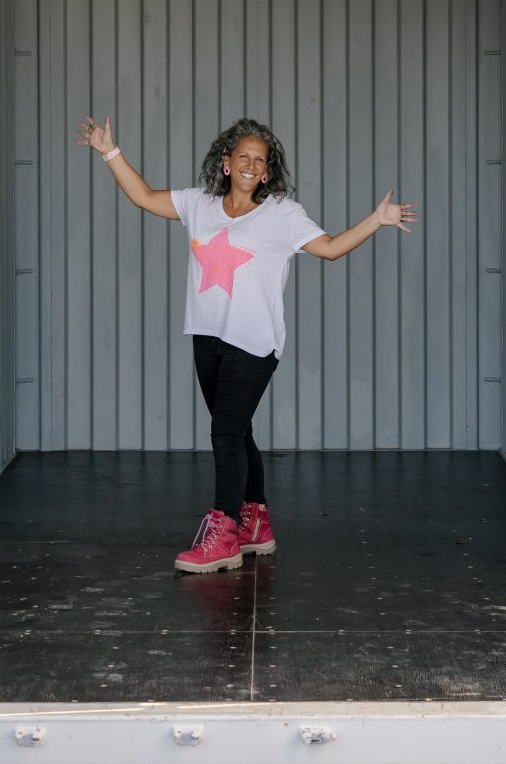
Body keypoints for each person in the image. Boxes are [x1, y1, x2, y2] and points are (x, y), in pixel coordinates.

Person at [75, 114, 419, 573]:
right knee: (237, 430)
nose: (251, 165)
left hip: (254, 343)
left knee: (225, 433)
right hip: (206, 335)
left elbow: (332, 249)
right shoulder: (199, 204)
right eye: (243, 156)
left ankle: (225, 533)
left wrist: (377, 220)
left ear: (267, 172)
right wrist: (109, 152)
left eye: (260, 160)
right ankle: (257, 524)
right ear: (226, 163)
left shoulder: (282, 214)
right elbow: (141, 196)